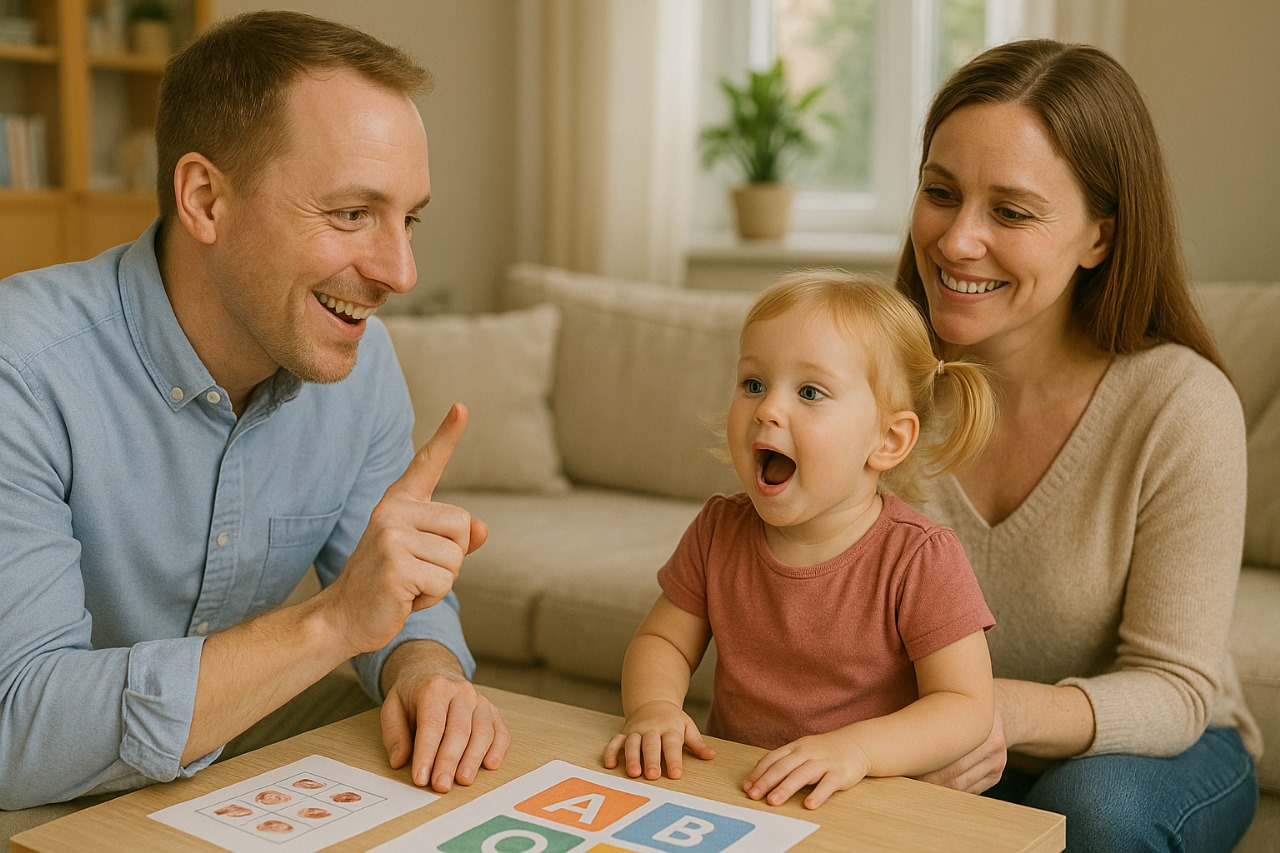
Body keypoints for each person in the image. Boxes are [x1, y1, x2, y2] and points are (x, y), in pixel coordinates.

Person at [0, 10, 508, 831]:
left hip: (228, 777)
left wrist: (424, 668)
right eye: (351, 214)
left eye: (407, 219)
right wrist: (329, 621)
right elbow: (14, 730)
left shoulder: (358, 361)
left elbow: (394, 595)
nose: (400, 272)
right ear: (205, 198)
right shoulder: (19, 368)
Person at [896, 38, 1261, 850]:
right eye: (940, 193)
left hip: (1156, 742)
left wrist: (989, 710)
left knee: (1086, 810)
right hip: (943, 732)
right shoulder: (876, 383)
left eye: (1012, 211)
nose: (957, 240)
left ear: (1099, 236)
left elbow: (1173, 689)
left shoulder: (1178, 402)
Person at [603, 270, 999, 809]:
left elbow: (965, 706)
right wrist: (653, 708)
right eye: (753, 384)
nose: (767, 408)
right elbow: (663, 641)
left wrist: (857, 750)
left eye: (810, 392)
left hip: (862, 800)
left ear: (888, 439)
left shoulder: (918, 557)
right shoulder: (719, 530)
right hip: (737, 794)